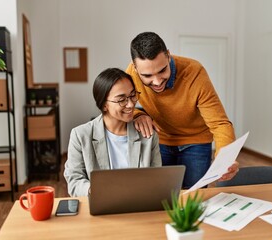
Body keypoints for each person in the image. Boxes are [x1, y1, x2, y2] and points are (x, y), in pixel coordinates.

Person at [125, 32, 238, 189]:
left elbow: (220, 123)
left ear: (169, 55)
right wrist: (139, 115)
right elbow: (123, 106)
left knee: (194, 198)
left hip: (196, 142)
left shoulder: (194, 72)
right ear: (135, 68)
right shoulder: (130, 74)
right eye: (147, 75)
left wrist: (225, 158)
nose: (157, 81)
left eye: (162, 70)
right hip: (162, 140)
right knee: (159, 194)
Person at [64, 68, 162, 197]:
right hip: (101, 205)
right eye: (121, 100)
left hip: (138, 205)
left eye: (133, 95)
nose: (131, 104)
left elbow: (156, 179)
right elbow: (74, 181)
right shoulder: (80, 135)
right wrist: (96, 190)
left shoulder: (147, 134)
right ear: (104, 104)